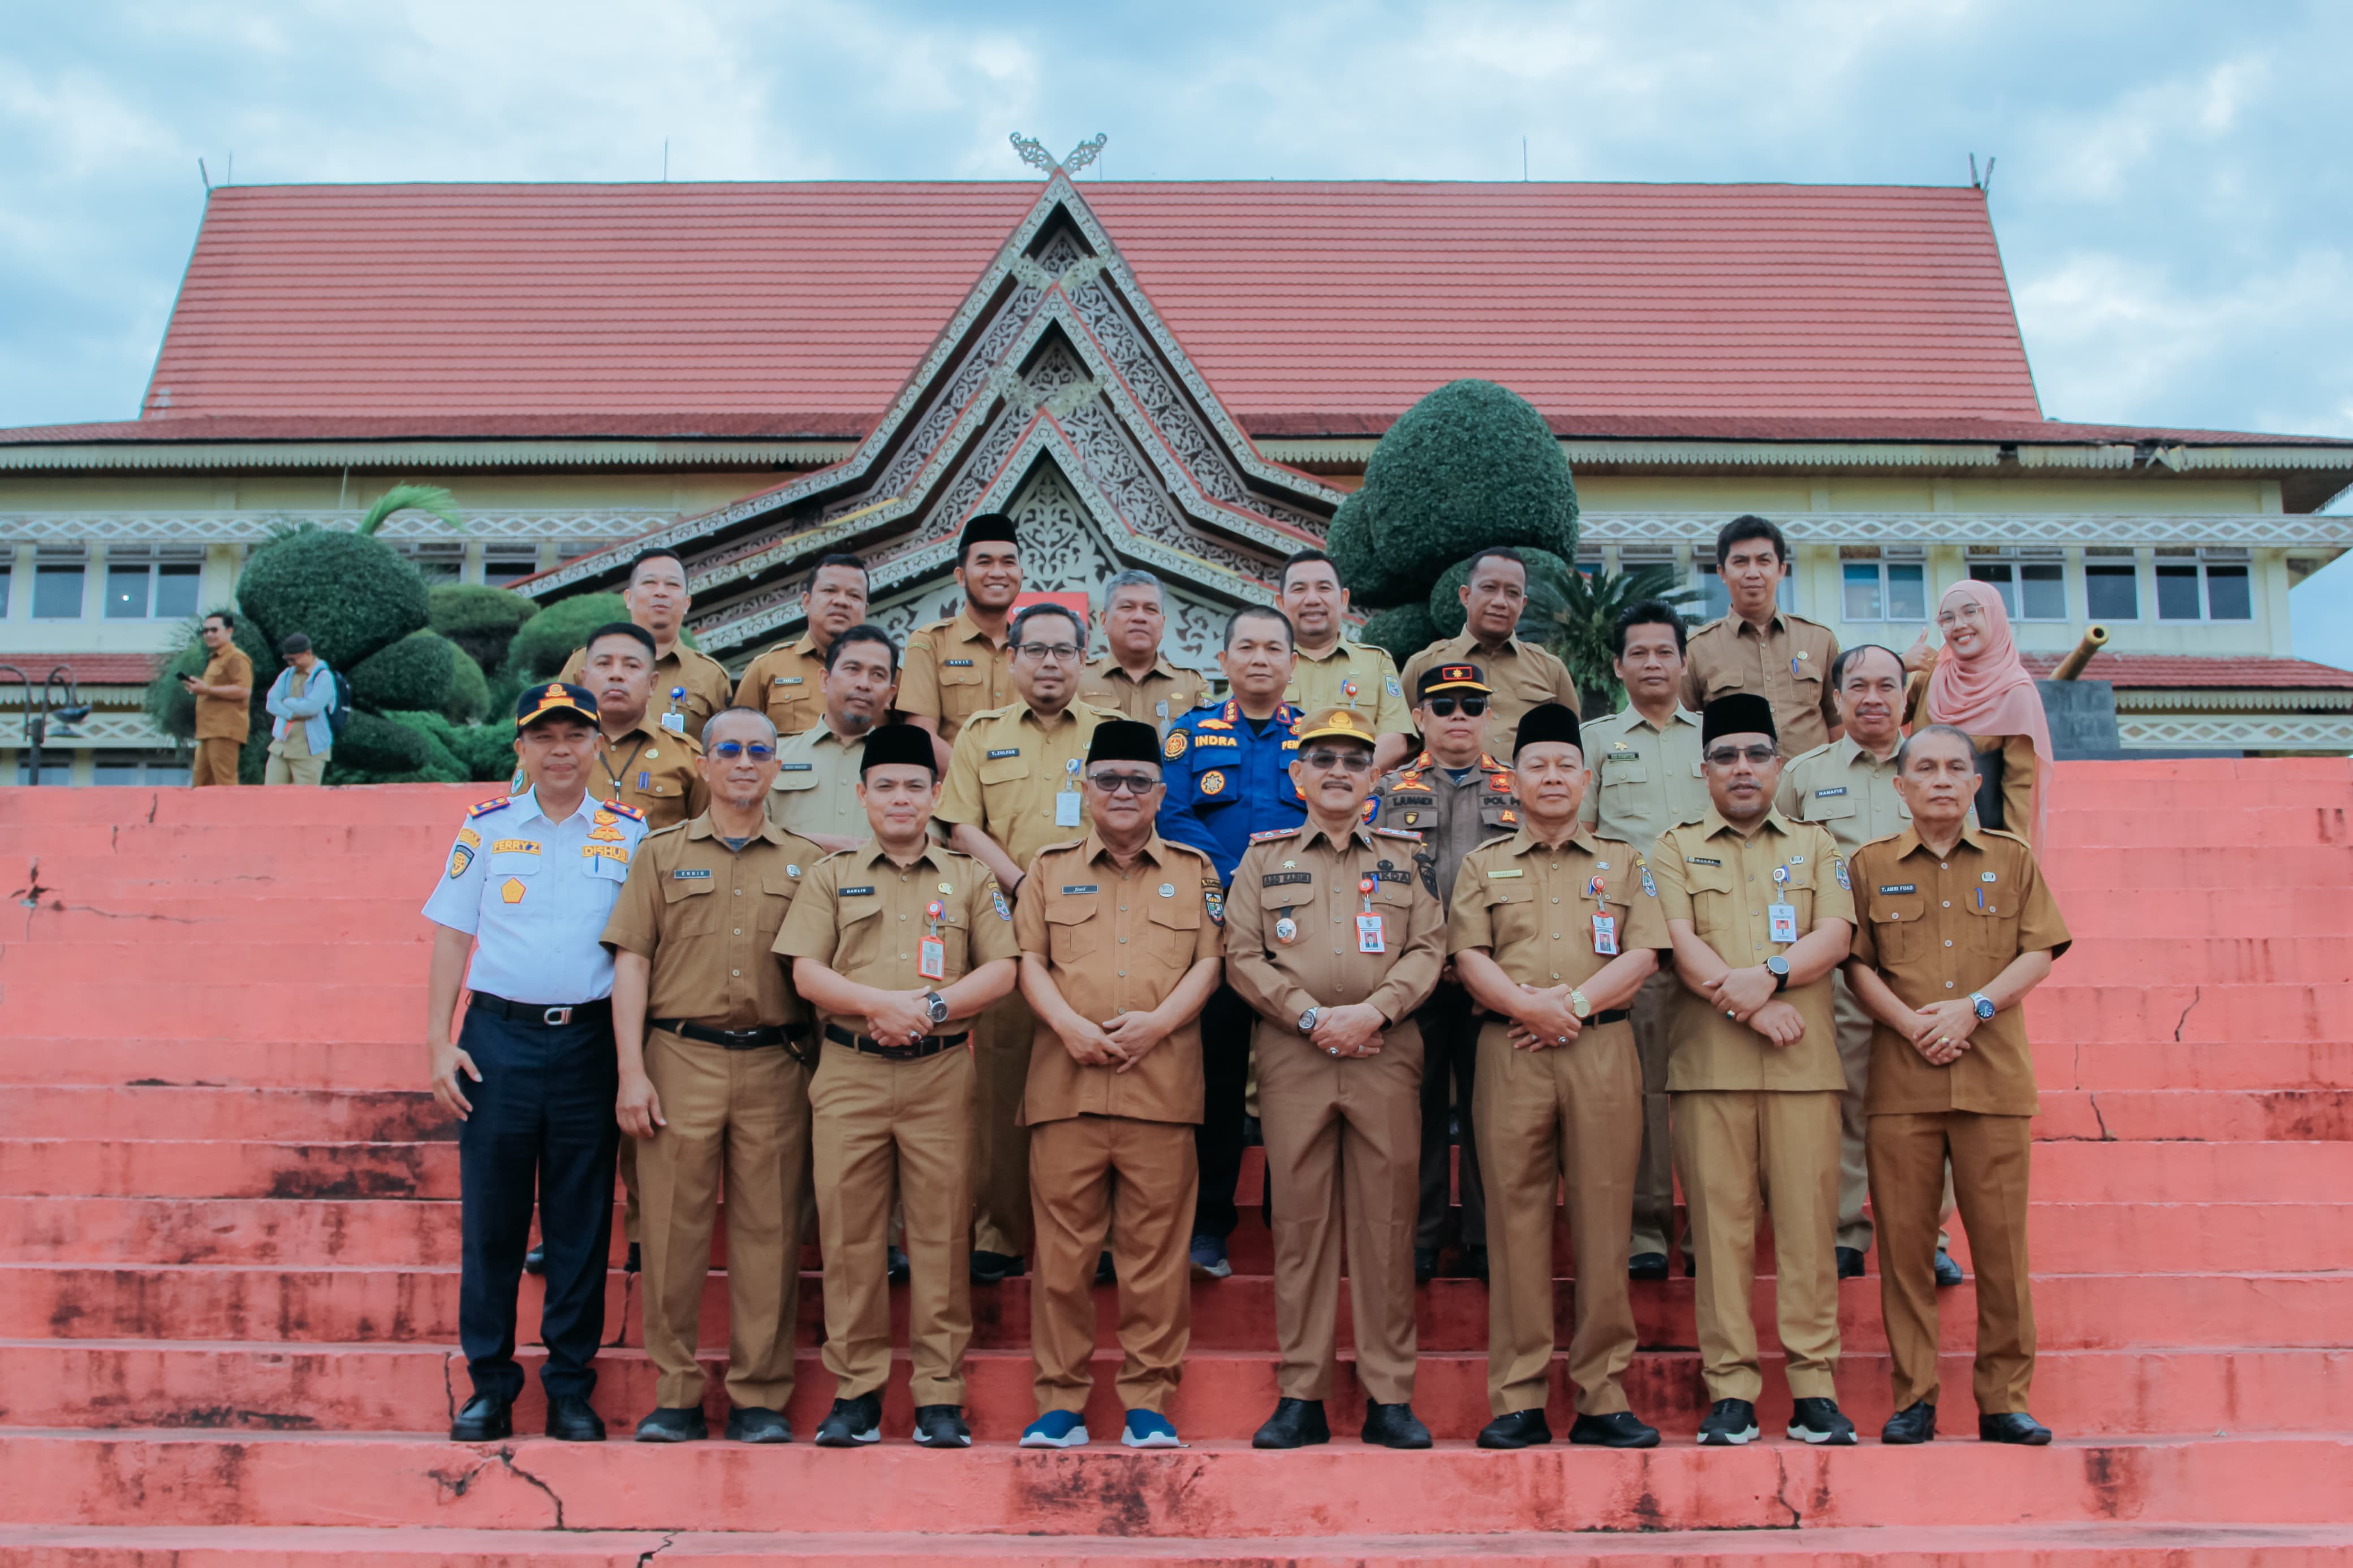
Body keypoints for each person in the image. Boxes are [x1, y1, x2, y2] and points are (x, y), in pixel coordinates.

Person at [774, 722, 1020, 1449]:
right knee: (850, 1237)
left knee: (941, 1235)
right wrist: (877, 1005)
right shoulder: (832, 873)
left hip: (940, 1072)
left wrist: (931, 1007)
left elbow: (1001, 969)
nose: (901, 797)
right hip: (847, 1070)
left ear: (935, 794)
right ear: (862, 795)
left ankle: (939, 1394)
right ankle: (855, 1391)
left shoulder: (968, 877)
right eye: (885, 785)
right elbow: (804, 971)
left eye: (915, 785)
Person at [422, 682, 651, 1444]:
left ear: (597, 747)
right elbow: (453, 934)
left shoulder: (630, 834)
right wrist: (437, 1040)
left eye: (575, 736)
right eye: (544, 736)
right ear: (520, 748)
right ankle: (489, 1382)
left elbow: (638, 953)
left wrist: (629, 1062)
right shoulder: (485, 828)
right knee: (493, 1220)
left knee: (581, 1222)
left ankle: (568, 1386)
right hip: (498, 1042)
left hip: (589, 1043)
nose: (561, 749)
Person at [1844, 723, 2070, 1446]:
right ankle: (1913, 1397)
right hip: (1901, 1085)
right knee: (1905, 1253)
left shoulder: (2011, 860)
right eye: (1925, 769)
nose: (1941, 780)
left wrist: (1974, 1009)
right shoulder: (1870, 865)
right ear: (1899, 787)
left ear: (1976, 785)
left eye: (1955, 768)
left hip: (1992, 1082)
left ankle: (2004, 1399)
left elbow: (2039, 951)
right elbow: (1856, 966)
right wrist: (1912, 1025)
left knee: (2001, 1251)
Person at [1225, 705, 1445, 1451]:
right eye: (1323, 760)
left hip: (1385, 1051)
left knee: (1387, 1227)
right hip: (1296, 1054)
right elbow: (1243, 955)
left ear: (1372, 776)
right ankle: (1301, 1394)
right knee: (1300, 1227)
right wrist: (1314, 1018)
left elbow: (1427, 949)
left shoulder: (1403, 855)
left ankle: (1389, 1395)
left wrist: (1375, 1013)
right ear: (1298, 776)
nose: (1339, 772)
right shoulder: (1265, 857)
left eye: (1354, 760)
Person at [604, 707, 822, 1445]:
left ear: (776, 767)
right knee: (672, 1232)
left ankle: (761, 1395)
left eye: (760, 751)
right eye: (728, 749)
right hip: (679, 1056)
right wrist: (631, 1071)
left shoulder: (807, 862)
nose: (743, 763)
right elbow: (630, 960)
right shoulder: (661, 855)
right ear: (702, 763)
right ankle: (676, 1392)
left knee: (769, 1234)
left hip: (777, 1063)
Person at [1449, 702, 1664, 1451]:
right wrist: (1522, 1005)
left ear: (1586, 776)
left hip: (1600, 1048)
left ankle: (1603, 1395)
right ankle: (1518, 1398)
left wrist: (1567, 1005)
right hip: (1509, 1052)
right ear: (1516, 778)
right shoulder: (1485, 864)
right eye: (1536, 765)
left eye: (1563, 765)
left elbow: (1642, 957)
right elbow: (1468, 955)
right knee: (1515, 1227)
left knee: (1605, 1223)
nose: (1550, 777)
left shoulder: (1624, 863)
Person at [1646, 693, 1857, 1448]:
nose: (1743, 769)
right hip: (1709, 1071)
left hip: (1803, 1069)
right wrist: (1753, 1007)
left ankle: (1815, 1389)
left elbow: (1833, 933)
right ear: (1704, 771)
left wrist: (1765, 976)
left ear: (1779, 766)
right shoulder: (1673, 847)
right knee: (1720, 1236)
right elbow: (1676, 938)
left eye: (1757, 755)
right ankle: (1731, 1388)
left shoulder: (1817, 845)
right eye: (1727, 756)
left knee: (1808, 1236)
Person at [1012, 719, 1224, 1451]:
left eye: (1139, 780)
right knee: (1062, 1259)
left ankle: (1149, 1403)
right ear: (1086, 787)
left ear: (1162, 792)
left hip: (1160, 1089)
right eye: (1108, 779)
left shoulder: (1196, 870)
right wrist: (1069, 1025)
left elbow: (1210, 962)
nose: (1123, 792)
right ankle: (1060, 1402)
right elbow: (1029, 960)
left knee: (1156, 1258)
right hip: (1065, 1086)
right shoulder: (1047, 868)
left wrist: (1159, 1024)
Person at [935, 601, 1118, 1283]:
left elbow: (1131, 820)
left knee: (1096, 1080)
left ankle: (1099, 1239)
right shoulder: (981, 735)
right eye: (1034, 650)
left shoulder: (1110, 732)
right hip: (1006, 928)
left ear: (1082, 659)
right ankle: (1001, 1231)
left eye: (1062, 651)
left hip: (1099, 927)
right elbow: (959, 826)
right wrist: (1022, 883)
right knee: (1003, 1083)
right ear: (1010, 659)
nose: (1048, 662)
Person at [1777, 643, 1963, 1286]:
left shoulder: (1935, 766)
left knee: (1930, 1103)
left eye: (1887, 685)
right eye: (1857, 686)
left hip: (1928, 965)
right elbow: (1781, 868)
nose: (1873, 697)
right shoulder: (1803, 775)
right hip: (1838, 968)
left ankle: (1927, 1237)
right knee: (1844, 1100)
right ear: (1834, 697)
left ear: (1904, 695)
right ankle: (1843, 1230)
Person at [1156, 604, 1308, 1281]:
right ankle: (1209, 1224)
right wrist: (1237, 874)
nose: (1258, 659)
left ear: (1291, 663)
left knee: (1292, 1079)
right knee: (1216, 1079)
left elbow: (1342, 808)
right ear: (1222, 662)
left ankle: (1291, 1220)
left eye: (1272, 648)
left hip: (1297, 930)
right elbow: (1171, 810)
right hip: (1216, 926)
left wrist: (1273, 881)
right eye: (1244, 647)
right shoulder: (1189, 736)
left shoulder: (1313, 741)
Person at [1368, 663, 1519, 1282]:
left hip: (1499, 976)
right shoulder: (1387, 787)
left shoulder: (1519, 788)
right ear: (1420, 718)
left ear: (1487, 715)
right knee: (1418, 1112)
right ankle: (1422, 1235)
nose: (1458, 715)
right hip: (1416, 980)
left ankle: (1487, 1238)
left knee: (1496, 1114)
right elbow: (1374, 879)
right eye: (1443, 705)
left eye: (1470, 704)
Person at [1578, 601, 1708, 1280]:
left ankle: (1715, 1231)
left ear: (1683, 661)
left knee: (1715, 1088)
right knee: (1643, 1090)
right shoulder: (1594, 742)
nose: (1653, 663)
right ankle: (1648, 1231)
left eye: (1664, 652)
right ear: (1617, 665)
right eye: (1639, 653)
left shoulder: (1717, 741)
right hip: (1639, 948)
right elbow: (1583, 845)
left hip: (1718, 948)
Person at [1680, 516, 1842, 757]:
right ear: (1722, 573)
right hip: (1736, 789)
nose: (1753, 573)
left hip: (1812, 790)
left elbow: (1837, 721)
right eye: (1741, 562)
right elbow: (1685, 733)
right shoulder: (1696, 649)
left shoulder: (1819, 639)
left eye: (1764, 561)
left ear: (1781, 570)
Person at [1911, 580, 2053, 852]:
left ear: (1994, 616)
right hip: (1915, 836)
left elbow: (2019, 786)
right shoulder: (1930, 676)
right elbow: (1878, 721)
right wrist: (1899, 664)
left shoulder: (2016, 692)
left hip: (1978, 844)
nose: (1959, 625)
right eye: (1948, 618)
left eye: (1971, 612)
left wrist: (2015, 857)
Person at [1399, 548, 1580, 742]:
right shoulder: (1424, 665)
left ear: (1523, 604)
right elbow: (1403, 746)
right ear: (1466, 596)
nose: (1501, 602)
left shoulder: (1551, 670)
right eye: (1489, 588)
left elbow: (1571, 745)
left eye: (1513, 593)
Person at [558, 548, 734, 744]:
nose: (661, 592)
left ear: (686, 603)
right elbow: (552, 732)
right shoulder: (584, 662)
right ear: (628, 598)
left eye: (672, 584)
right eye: (649, 583)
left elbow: (725, 752)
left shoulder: (711, 675)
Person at [899, 515, 1023, 771]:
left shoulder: (1035, 649)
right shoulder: (929, 643)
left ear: (1020, 574)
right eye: (985, 562)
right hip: (955, 802)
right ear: (960, 576)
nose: (998, 572)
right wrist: (978, 783)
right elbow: (921, 734)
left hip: (1026, 803)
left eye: (1008, 562)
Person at [1277, 550, 1414, 773]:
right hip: (1277, 795)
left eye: (1324, 588)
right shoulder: (1261, 664)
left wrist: (1346, 777)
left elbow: (1395, 740)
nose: (1312, 599)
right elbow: (1236, 730)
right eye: (1299, 589)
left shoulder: (1377, 662)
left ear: (1343, 600)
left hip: (1354, 798)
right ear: (1281, 603)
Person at [769, 624, 900, 852]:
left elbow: (923, 846)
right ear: (825, 680)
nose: (863, 684)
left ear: (890, 695)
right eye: (852, 669)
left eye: (878, 675)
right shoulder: (774, 755)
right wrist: (834, 845)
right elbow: (750, 837)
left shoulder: (907, 764)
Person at [579, 623, 708, 829]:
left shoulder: (688, 756)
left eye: (631, 666)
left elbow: (705, 838)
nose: (616, 675)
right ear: (584, 679)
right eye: (604, 664)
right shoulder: (554, 752)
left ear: (653, 684)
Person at [734, 554, 873, 736]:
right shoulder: (766, 669)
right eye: (830, 591)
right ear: (806, 602)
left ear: (865, 609)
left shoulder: (886, 676)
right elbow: (737, 740)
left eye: (854, 595)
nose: (841, 601)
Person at [1080, 569, 1212, 731]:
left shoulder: (1192, 685)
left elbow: (1207, 748)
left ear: (1162, 624)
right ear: (1104, 620)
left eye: (1151, 609)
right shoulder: (1077, 680)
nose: (1140, 617)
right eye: (1127, 607)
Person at [182, 611, 253, 788]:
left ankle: (231, 815)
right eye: (205, 631)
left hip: (224, 730)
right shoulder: (215, 659)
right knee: (201, 785)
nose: (209, 635)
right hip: (208, 731)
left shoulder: (236, 657)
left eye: (214, 630)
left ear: (229, 631)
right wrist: (201, 688)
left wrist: (207, 689)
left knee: (225, 783)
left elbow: (244, 690)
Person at [262, 633, 334, 785]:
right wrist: (290, 714)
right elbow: (271, 702)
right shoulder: (287, 675)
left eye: (293, 659)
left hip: (309, 750)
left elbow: (311, 707)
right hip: (281, 746)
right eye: (287, 659)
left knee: (305, 801)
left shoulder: (324, 677)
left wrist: (287, 702)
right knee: (271, 796)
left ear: (308, 653)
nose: (290, 663)